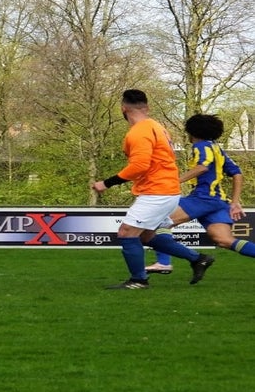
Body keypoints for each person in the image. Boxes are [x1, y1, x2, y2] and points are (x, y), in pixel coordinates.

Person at [90, 89, 214, 289]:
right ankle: (198, 259)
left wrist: (106, 183)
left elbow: (140, 166)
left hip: (156, 192)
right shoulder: (157, 127)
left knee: (126, 232)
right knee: (145, 236)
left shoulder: (139, 132)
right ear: (147, 108)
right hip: (168, 190)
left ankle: (138, 280)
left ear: (123, 109)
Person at [144, 114, 254, 274]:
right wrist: (235, 201)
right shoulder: (217, 148)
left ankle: (163, 263)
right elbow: (237, 173)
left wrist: (175, 181)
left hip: (203, 198)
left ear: (192, 131)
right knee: (224, 240)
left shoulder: (201, 146)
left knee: (158, 221)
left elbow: (202, 167)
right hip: (218, 201)